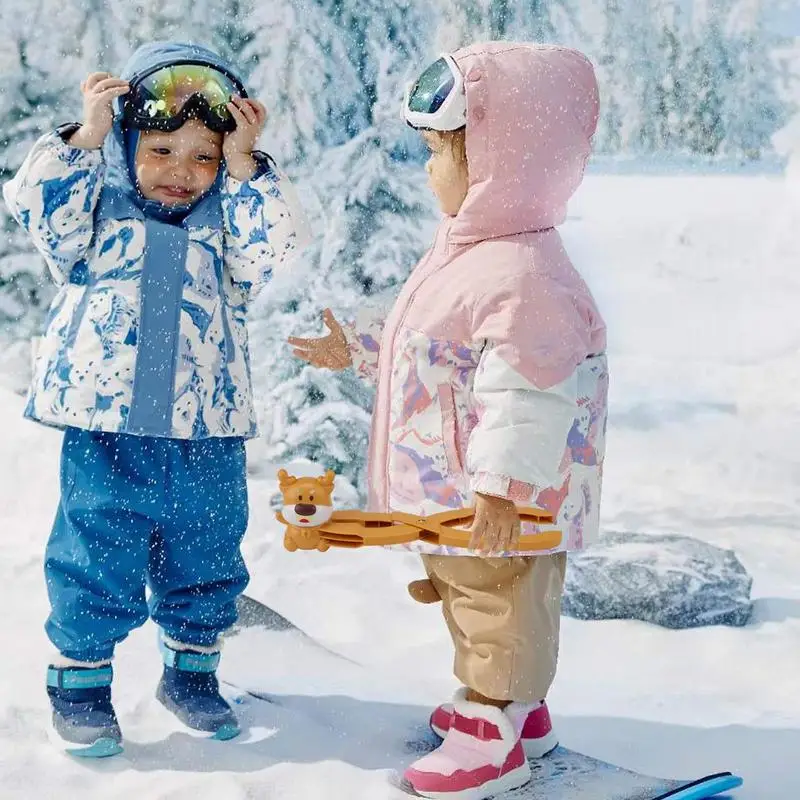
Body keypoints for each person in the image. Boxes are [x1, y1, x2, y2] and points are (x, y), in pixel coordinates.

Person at [289, 42, 608, 799]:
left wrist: (501, 485)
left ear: (503, 161)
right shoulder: (475, 252)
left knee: (495, 606)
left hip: (496, 502)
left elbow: (530, 392)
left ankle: (491, 732)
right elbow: (435, 345)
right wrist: (361, 346)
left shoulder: (522, 274)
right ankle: (519, 714)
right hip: (465, 495)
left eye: (438, 152)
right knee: (479, 599)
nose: (428, 169)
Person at [2, 41, 309, 757]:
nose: (182, 173)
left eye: (204, 156)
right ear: (131, 143)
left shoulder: (225, 233)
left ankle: (192, 672)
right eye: (162, 150)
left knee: (207, 550)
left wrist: (244, 166)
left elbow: (279, 244)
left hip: (206, 428)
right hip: (107, 428)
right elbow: (33, 204)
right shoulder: (95, 218)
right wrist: (88, 134)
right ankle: (79, 685)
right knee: (95, 550)